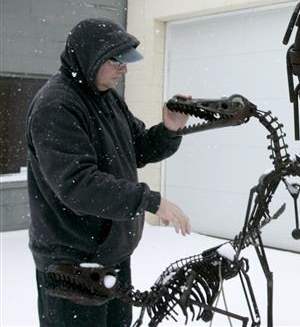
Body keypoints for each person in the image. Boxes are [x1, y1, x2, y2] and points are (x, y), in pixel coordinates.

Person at [26, 17, 191, 327]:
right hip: (72, 261)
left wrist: (169, 129)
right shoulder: (56, 106)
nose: (124, 68)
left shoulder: (106, 97)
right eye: (116, 59)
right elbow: (78, 185)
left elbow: (138, 148)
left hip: (109, 251)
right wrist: (149, 201)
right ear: (90, 57)